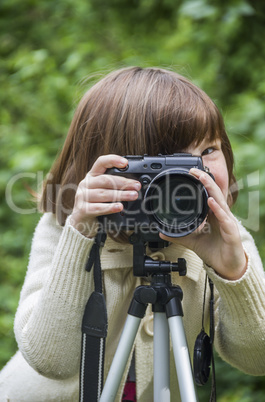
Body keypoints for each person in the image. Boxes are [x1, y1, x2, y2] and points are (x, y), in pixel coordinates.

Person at [1, 66, 265, 402]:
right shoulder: (64, 229)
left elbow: (257, 359)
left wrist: (233, 271)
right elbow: (51, 361)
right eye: (171, 161)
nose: (197, 171)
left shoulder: (223, 236)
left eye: (209, 150)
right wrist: (80, 235)